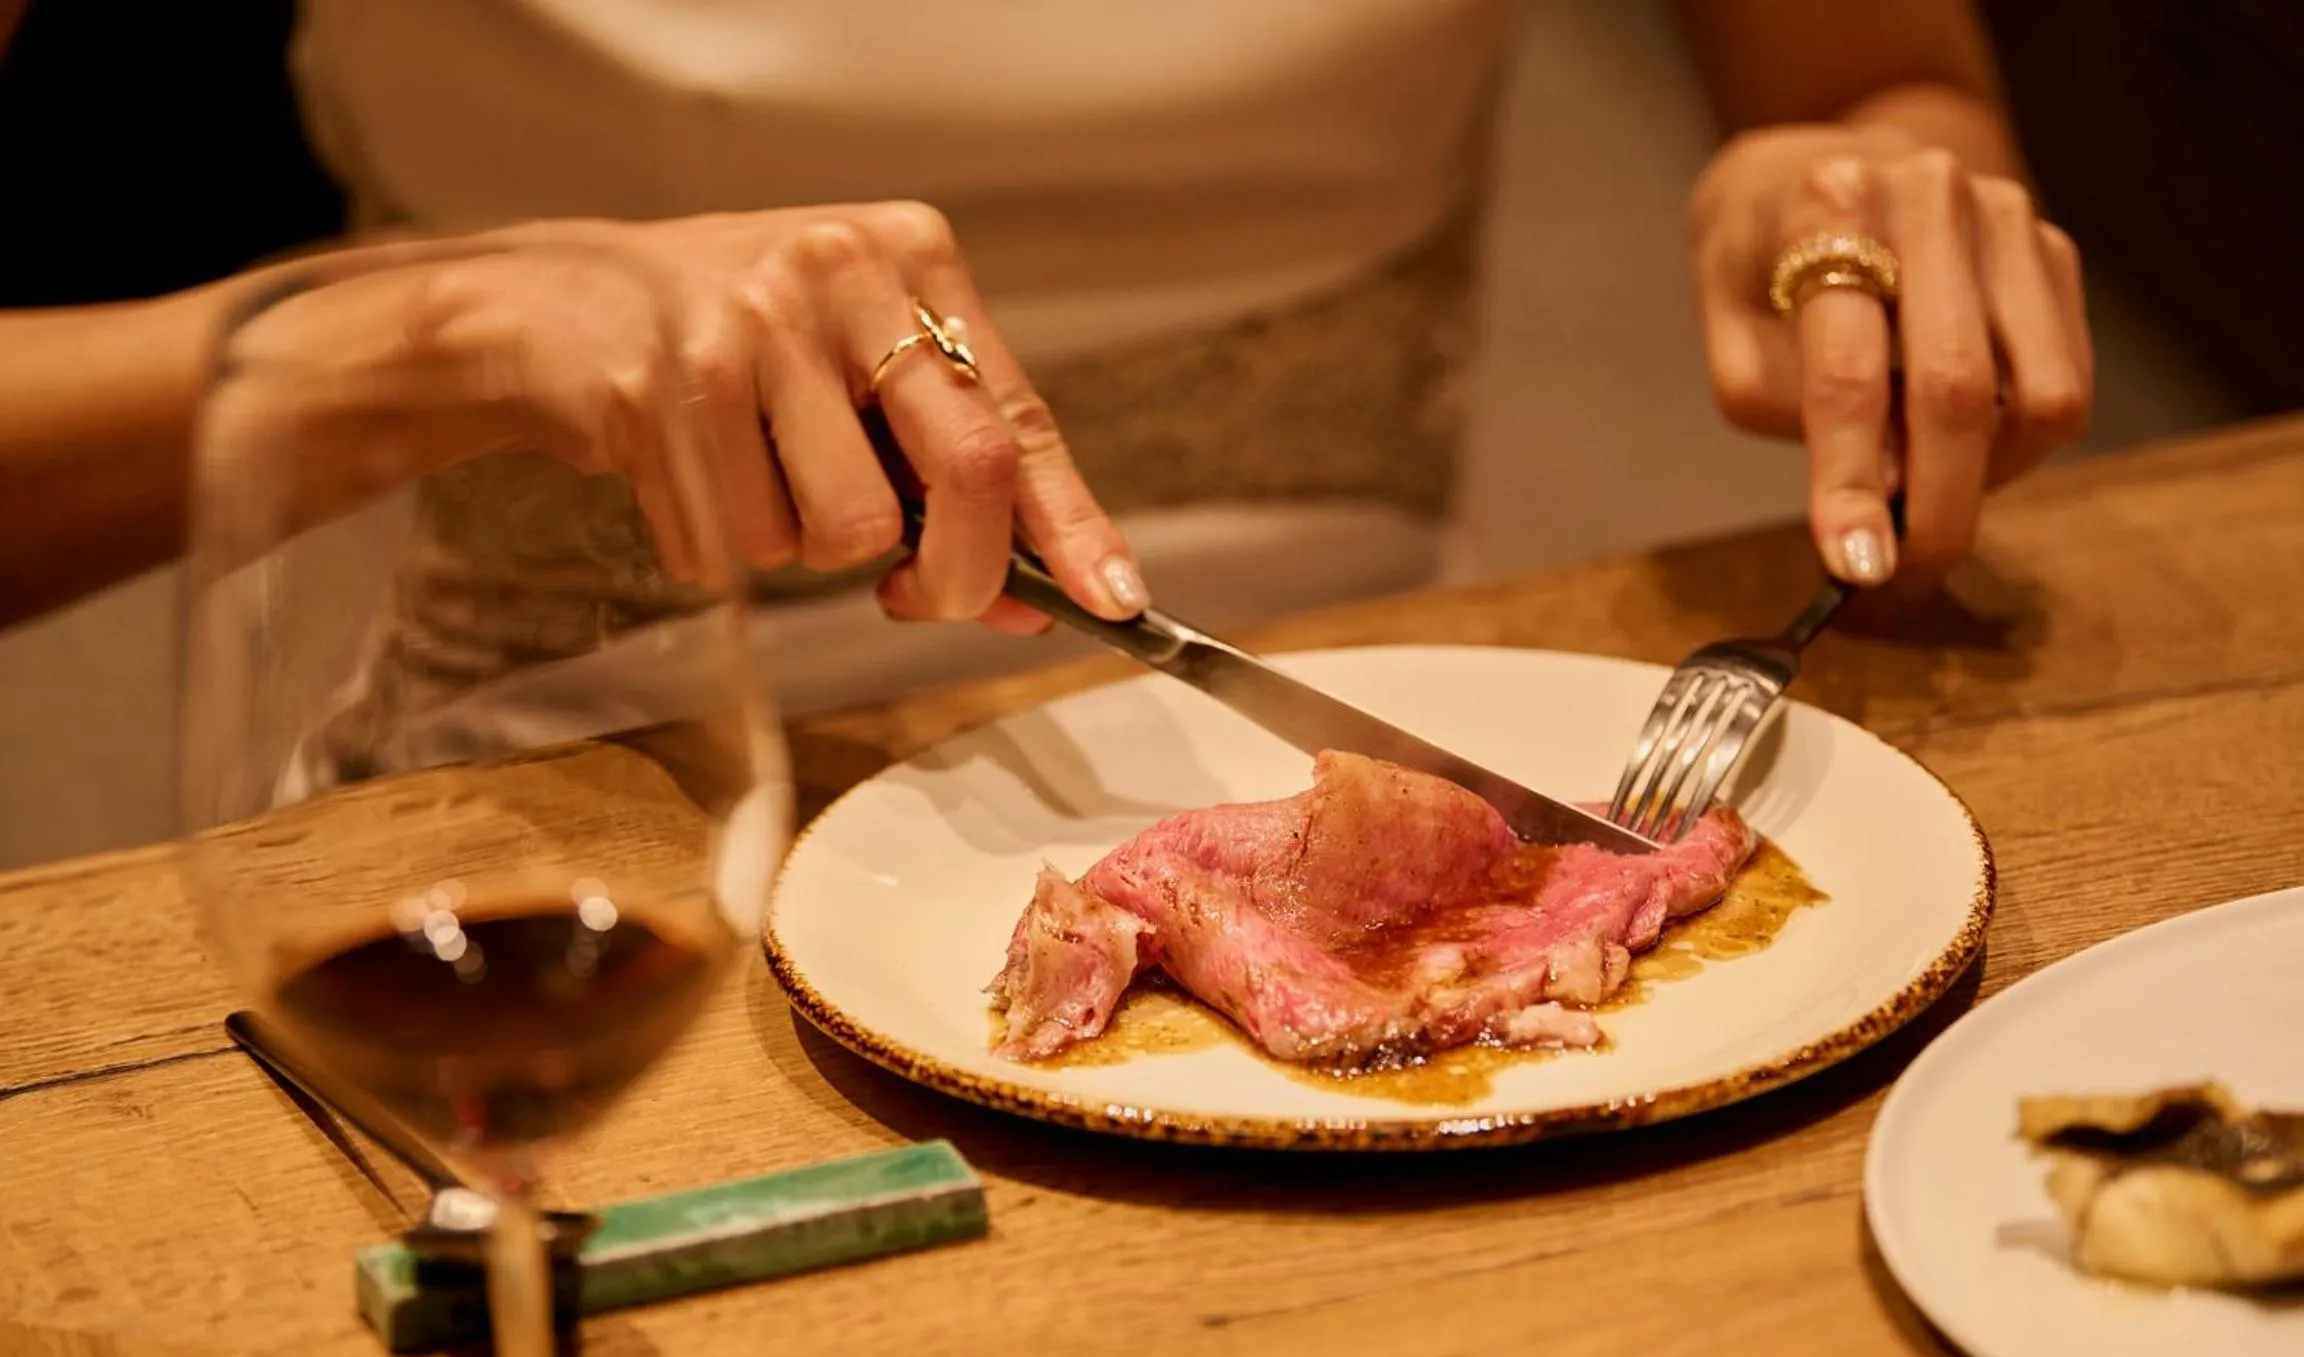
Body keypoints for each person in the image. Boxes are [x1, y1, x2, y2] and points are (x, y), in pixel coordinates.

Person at [1, 1, 2090, 697]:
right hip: (592, 825)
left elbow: (1873, 77)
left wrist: (1855, 194)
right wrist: (427, 335)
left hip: (1344, 758)